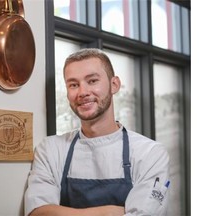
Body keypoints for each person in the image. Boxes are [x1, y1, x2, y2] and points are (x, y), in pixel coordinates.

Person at [24, 48, 170, 216]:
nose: (83, 92)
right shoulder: (50, 149)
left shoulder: (150, 153)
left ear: (114, 85)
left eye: (92, 81)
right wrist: (109, 212)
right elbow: (37, 213)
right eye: (73, 85)